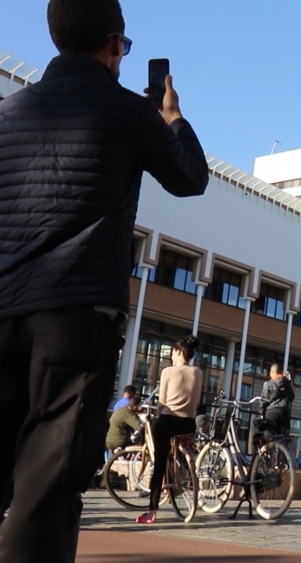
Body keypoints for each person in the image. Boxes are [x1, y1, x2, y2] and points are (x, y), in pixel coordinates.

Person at [0, 1, 208, 558]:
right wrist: (171, 118)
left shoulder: (9, 112)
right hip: (76, 314)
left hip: (5, 306)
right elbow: (191, 178)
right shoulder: (127, 112)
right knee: (48, 483)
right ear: (116, 44)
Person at [136, 335, 203, 524]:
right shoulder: (198, 372)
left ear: (179, 352)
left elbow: (162, 402)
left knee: (158, 464)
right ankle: (184, 463)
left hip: (168, 420)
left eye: (173, 352)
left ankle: (152, 511)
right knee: (181, 446)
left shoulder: (168, 371)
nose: (171, 356)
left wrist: (158, 411)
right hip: (188, 422)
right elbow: (196, 401)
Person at [261, 364, 295, 435]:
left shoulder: (268, 384)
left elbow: (264, 400)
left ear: (272, 372)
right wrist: (289, 382)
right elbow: (291, 397)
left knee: (268, 437)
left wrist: (262, 413)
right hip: (285, 412)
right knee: (283, 437)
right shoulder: (286, 384)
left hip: (272, 412)